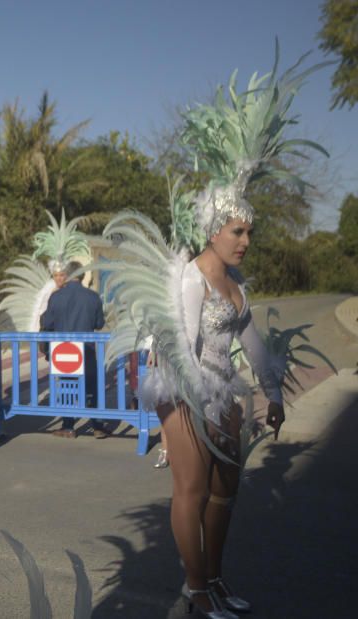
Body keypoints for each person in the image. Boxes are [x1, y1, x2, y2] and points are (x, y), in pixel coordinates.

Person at [102, 57, 323, 618]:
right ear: (213, 231)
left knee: (227, 494)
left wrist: (272, 394)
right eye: (237, 231)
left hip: (224, 395)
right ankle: (195, 590)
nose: (246, 240)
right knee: (193, 490)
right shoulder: (192, 276)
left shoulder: (238, 284)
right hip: (183, 389)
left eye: (250, 231)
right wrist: (202, 402)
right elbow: (178, 341)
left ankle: (215, 580)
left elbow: (251, 346)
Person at [40, 261, 109, 439]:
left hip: (64, 350)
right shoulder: (93, 297)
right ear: (82, 275)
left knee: (66, 385)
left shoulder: (56, 297)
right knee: (92, 386)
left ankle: (68, 426)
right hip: (87, 349)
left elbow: (48, 323)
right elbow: (99, 324)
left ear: (68, 275)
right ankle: (97, 426)